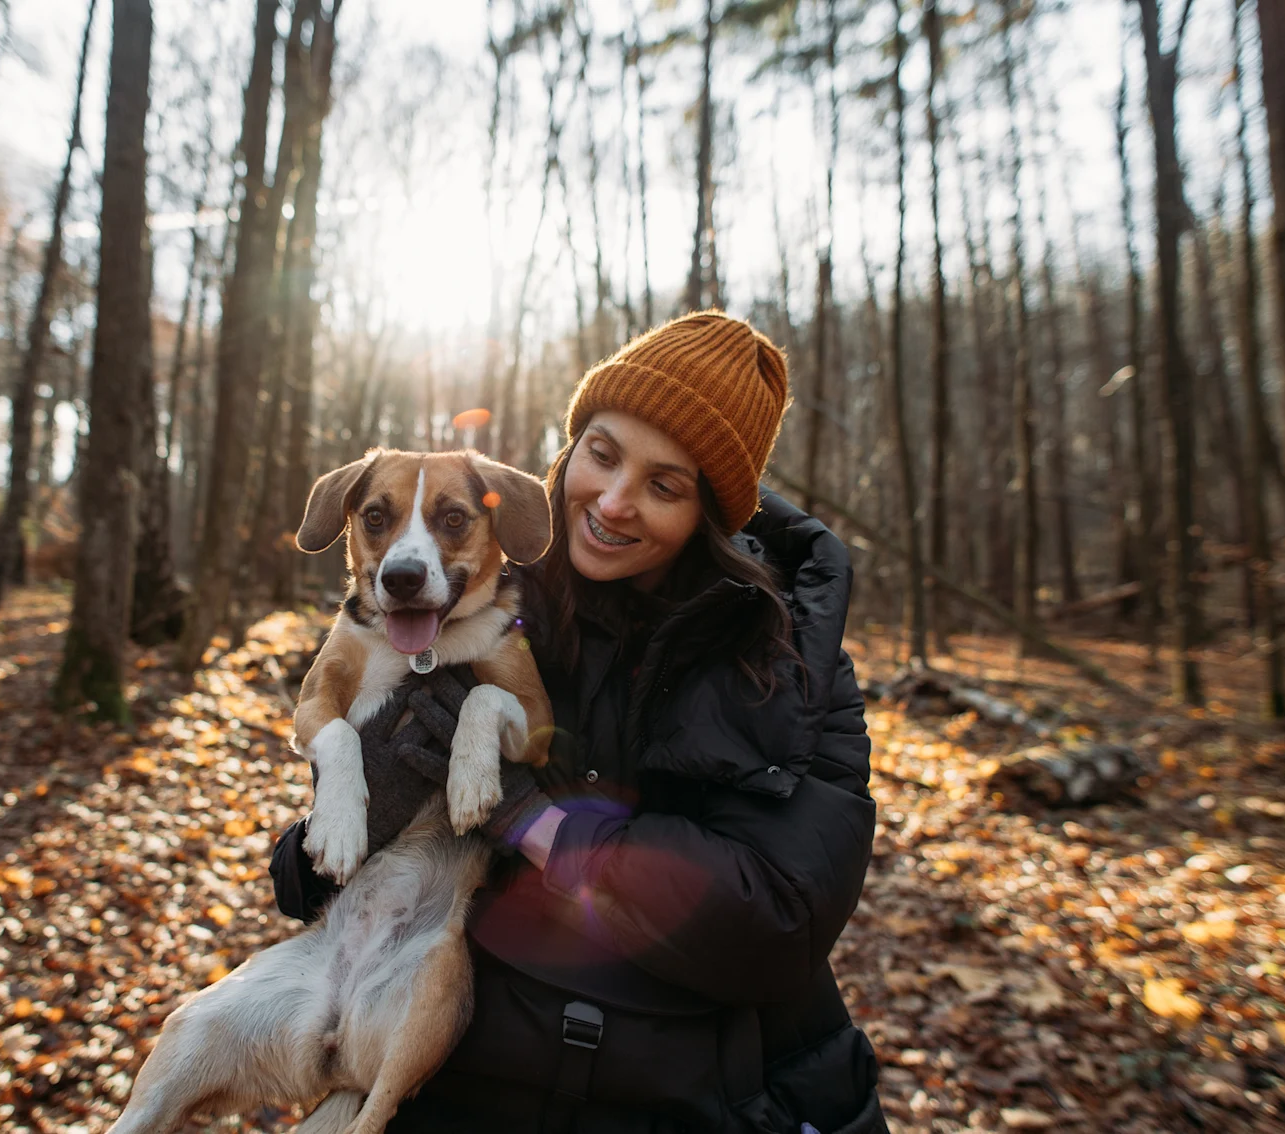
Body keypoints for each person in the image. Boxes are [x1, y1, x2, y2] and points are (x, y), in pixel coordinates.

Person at [272, 311, 886, 1134]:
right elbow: (307, 878)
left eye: (665, 486)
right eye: (602, 454)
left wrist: (534, 820)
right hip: (458, 1065)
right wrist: (346, 822)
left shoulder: (790, 660)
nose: (615, 502)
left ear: (711, 513)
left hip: (691, 1097)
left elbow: (775, 921)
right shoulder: (483, 600)